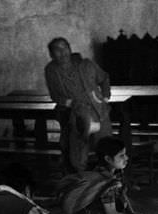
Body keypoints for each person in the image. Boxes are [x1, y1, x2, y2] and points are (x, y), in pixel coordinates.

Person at [57, 136, 157, 214]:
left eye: (125, 154)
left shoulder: (114, 174)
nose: (126, 158)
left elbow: (122, 196)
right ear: (108, 159)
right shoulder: (105, 182)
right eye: (121, 156)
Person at [44, 37, 112, 173]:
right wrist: (70, 103)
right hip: (76, 115)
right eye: (57, 50)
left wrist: (104, 98)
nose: (62, 52)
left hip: (98, 111)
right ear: (51, 54)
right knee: (78, 155)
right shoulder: (52, 70)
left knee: (107, 149)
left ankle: (109, 182)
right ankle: (81, 184)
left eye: (65, 48)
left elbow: (104, 78)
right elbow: (55, 95)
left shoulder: (86, 64)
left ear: (70, 49)